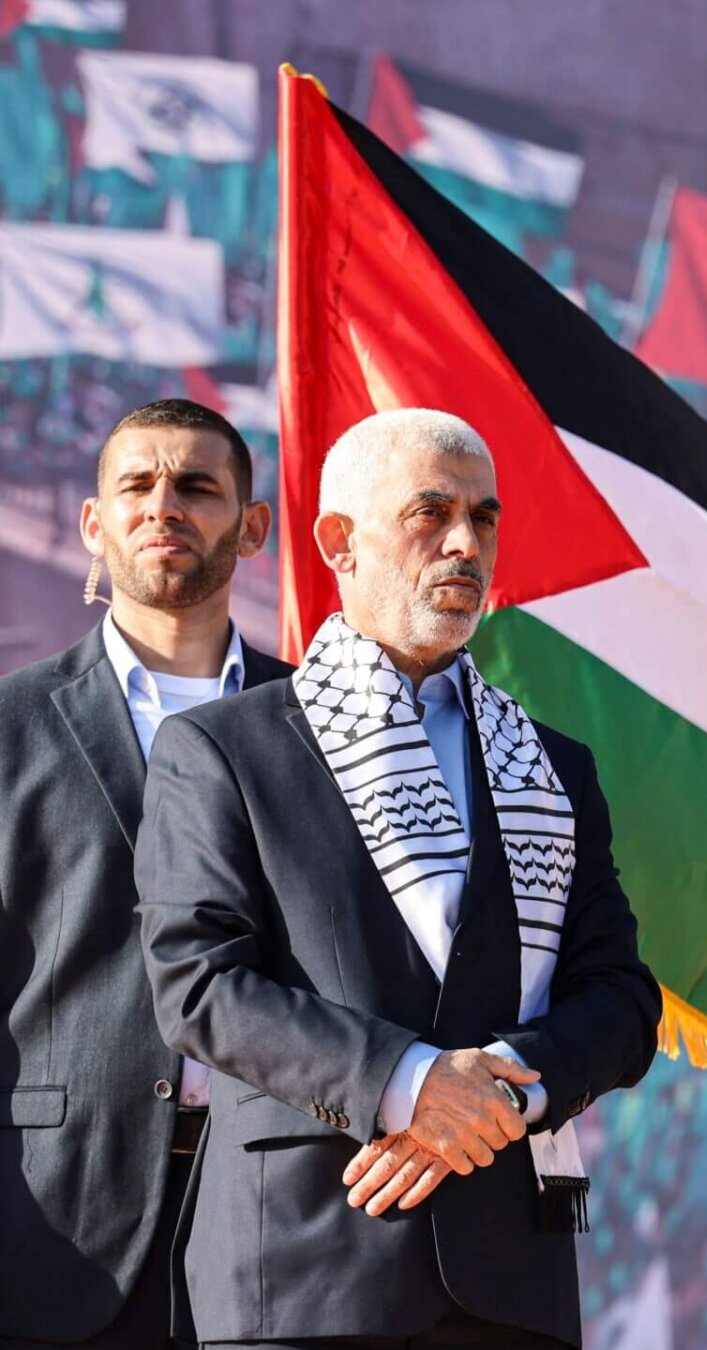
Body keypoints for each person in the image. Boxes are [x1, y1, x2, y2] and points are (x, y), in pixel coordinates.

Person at [134, 409, 661, 1349]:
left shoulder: (551, 765)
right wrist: (407, 1081)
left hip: (511, 1278)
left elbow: (621, 1000)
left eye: (485, 518)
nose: (466, 542)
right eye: (431, 512)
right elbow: (198, 984)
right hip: (299, 1271)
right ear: (338, 540)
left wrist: (494, 1095)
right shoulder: (226, 748)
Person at [0, 399, 284, 1350]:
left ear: (254, 527)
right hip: (56, 1218)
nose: (164, 504)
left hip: (286, 1217)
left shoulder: (326, 725)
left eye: (198, 485)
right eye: (136, 485)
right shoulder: (9, 727)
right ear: (94, 522)